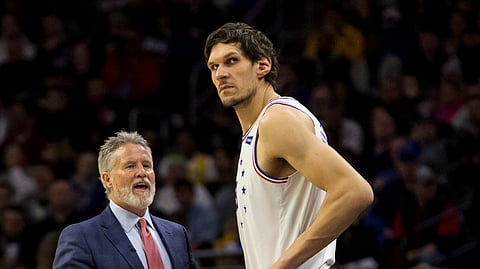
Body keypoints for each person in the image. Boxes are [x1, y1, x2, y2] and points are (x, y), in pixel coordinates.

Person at [204, 22, 374, 269]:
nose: (220, 74)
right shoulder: (264, 126)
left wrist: (280, 266)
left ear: (263, 66)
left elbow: (355, 191)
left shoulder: (277, 119)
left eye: (231, 61)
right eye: (213, 66)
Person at [52, 130, 197, 269]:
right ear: (107, 179)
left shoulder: (178, 234)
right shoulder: (80, 237)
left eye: (147, 165)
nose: (142, 172)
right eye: (130, 166)